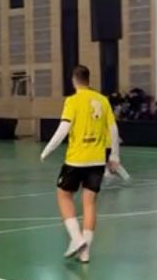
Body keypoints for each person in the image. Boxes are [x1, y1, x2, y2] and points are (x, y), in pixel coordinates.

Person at [40, 65, 120, 264]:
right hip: (97, 159)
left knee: (63, 195)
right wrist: (114, 155)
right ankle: (85, 253)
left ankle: (76, 239)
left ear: (74, 80)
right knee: (89, 203)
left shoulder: (73, 101)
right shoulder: (103, 100)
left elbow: (63, 129)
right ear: (88, 79)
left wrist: (47, 149)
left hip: (76, 159)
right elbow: (113, 129)